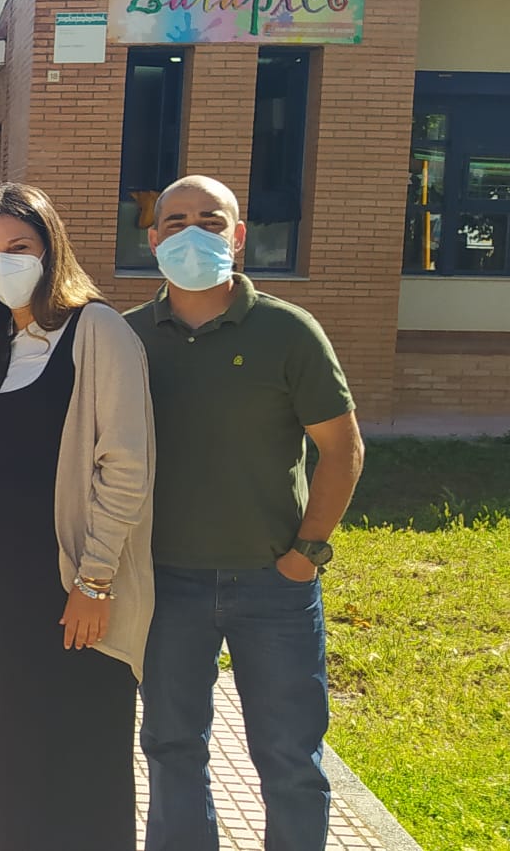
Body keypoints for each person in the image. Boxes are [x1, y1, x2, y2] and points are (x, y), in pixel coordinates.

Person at [129, 175, 364, 851]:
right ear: (153, 240)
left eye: (211, 220)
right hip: (167, 581)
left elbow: (342, 450)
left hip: (274, 585)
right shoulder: (127, 338)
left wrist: (305, 555)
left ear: (237, 236)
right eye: (175, 222)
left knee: (290, 760)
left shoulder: (288, 332)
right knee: (172, 749)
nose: (192, 233)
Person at [0, 182, 154, 850]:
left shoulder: (97, 331)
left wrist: (95, 581)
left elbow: (126, 467)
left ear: (50, 249)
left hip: (73, 584)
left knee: (83, 757)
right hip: (8, 590)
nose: (3, 262)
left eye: (19, 247)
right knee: (17, 746)